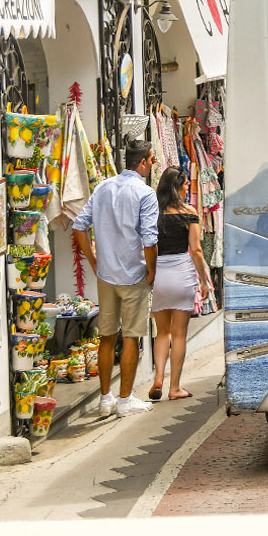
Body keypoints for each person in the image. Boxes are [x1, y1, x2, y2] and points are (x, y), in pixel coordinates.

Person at [73, 139, 159, 417]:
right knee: (131, 337)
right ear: (143, 162)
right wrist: (152, 270)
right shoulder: (145, 194)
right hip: (133, 275)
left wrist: (94, 259)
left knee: (107, 336)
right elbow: (149, 239)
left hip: (106, 275)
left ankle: (105, 399)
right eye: (152, 160)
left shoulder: (103, 187)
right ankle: (124, 401)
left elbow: (78, 226)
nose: (153, 164)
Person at [147, 166, 212, 401]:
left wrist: (150, 272)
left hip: (161, 276)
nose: (187, 189)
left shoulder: (153, 213)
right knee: (180, 335)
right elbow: (195, 250)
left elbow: (148, 246)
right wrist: (204, 281)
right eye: (186, 185)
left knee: (162, 333)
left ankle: (157, 379)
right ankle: (174, 388)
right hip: (183, 274)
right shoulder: (189, 212)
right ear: (178, 186)